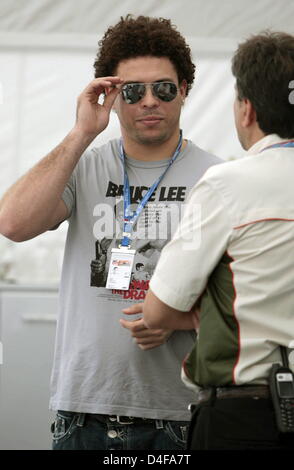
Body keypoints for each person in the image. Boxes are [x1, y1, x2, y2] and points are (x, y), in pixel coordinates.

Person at [0, 15, 221, 450]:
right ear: (114, 96)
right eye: (134, 91)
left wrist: (181, 318)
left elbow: (245, 296)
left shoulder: (217, 177)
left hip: (178, 414)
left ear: (185, 91)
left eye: (164, 88)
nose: (149, 101)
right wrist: (82, 132)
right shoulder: (84, 163)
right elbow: (12, 224)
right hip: (83, 412)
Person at [142, 31, 294, 450]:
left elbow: (157, 311)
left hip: (245, 415)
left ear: (247, 109)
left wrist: (206, 311)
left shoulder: (228, 184)